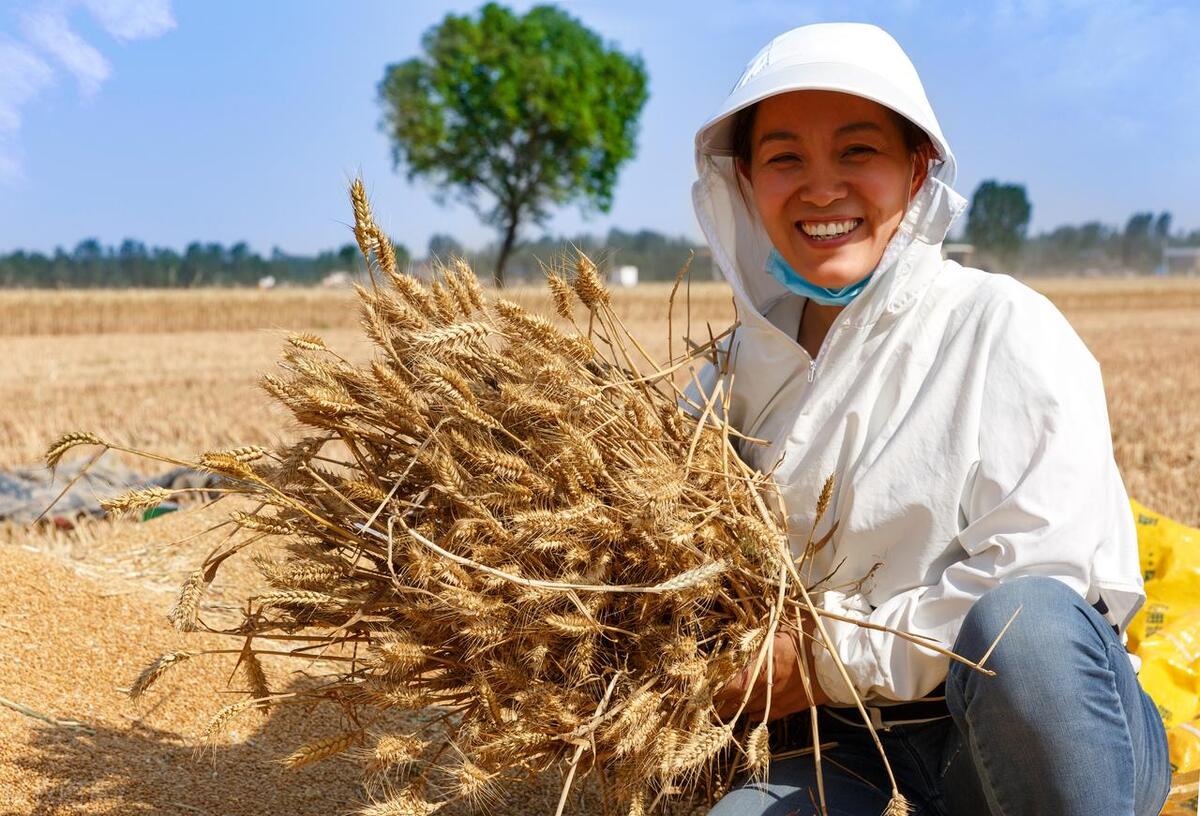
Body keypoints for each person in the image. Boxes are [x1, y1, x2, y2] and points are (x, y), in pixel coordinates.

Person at [689, 23, 1172, 816]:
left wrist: (815, 661)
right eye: (784, 158)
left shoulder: (1002, 325)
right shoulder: (727, 379)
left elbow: (1034, 592)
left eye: (858, 152)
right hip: (836, 745)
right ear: (743, 179)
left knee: (1032, 625)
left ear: (916, 171)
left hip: (1033, 728)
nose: (820, 189)